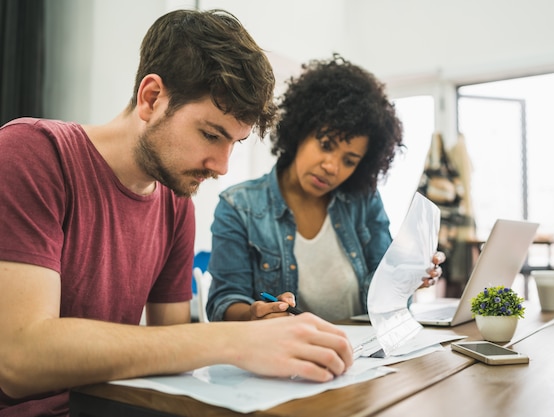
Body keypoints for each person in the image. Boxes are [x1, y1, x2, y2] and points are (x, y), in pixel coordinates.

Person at [0, 10, 353, 416]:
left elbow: (170, 343)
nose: (221, 166)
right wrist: (231, 342)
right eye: (210, 134)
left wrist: (248, 331)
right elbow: (18, 358)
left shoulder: (175, 203)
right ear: (152, 98)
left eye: (234, 143)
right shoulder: (32, 153)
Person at [206, 54, 445, 323]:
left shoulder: (363, 201)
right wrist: (254, 314)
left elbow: (384, 288)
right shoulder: (240, 206)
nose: (332, 167)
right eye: (326, 145)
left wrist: (407, 277)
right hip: (282, 358)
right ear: (299, 132)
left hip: (364, 356)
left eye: (349, 160)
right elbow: (224, 303)